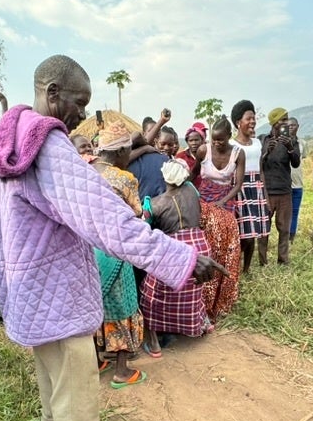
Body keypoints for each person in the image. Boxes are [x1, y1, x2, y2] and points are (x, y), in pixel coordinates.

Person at [0, 54, 223, 421]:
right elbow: (109, 222)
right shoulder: (47, 147)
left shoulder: (6, 146)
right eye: (80, 102)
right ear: (53, 93)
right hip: (59, 290)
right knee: (76, 383)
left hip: (28, 291)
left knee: (51, 376)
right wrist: (181, 259)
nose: (82, 115)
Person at [90, 126, 148, 384]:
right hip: (116, 251)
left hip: (89, 250)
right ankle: (122, 371)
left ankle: (98, 360)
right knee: (123, 305)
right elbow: (136, 216)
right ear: (123, 150)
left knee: (96, 304)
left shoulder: (86, 173)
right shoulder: (124, 179)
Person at [141, 158, 213, 342]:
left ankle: (159, 332)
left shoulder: (154, 203)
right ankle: (193, 325)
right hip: (199, 244)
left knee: (155, 291)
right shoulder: (191, 189)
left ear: (163, 176)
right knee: (193, 291)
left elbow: (144, 229)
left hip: (174, 248)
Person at [198, 119, 242, 322]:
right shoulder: (203, 151)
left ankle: (221, 299)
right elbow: (190, 178)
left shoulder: (237, 154)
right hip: (203, 198)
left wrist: (223, 201)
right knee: (206, 244)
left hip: (226, 199)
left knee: (228, 246)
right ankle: (202, 298)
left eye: (220, 140)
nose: (216, 144)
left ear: (229, 137)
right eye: (213, 140)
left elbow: (238, 185)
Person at [230, 100, 269, 272]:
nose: (253, 122)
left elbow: (261, 171)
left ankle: (246, 269)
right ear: (239, 122)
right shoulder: (232, 145)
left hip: (257, 189)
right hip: (240, 189)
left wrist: (265, 196)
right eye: (249, 118)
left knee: (253, 234)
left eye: (254, 118)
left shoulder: (258, 144)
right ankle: (234, 266)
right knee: (243, 235)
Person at [259, 108, 300, 264]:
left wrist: (290, 148)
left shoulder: (291, 140)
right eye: (283, 120)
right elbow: (258, 165)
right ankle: (263, 261)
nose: (286, 123)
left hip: (284, 191)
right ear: (274, 122)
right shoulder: (262, 140)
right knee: (264, 229)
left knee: (284, 228)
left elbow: (296, 164)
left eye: (287, 119)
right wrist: (266, 153)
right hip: (267, 191)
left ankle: (283, 260)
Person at [288, 116, 304, 239]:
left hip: (297, 184)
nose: (290, 128)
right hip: (284, 185)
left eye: (293, 125)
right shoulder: (281, 143)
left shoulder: (302, 143)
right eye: (288, 126)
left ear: (298, 127)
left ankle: (291, 237)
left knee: (294, 212)